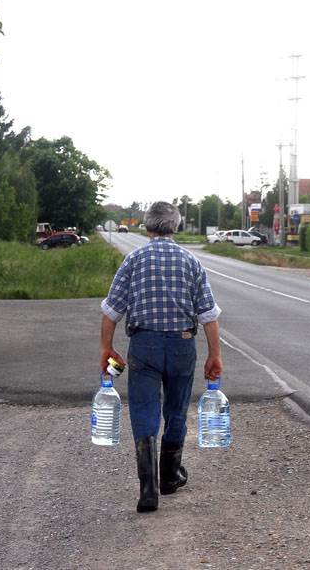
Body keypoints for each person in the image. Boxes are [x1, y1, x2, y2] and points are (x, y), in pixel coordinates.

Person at [99, 201, 223, 513]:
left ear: (147, 226)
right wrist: (214, 355)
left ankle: (148, 488)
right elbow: (208, 314)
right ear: (176, 226)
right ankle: (169, 476)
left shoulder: (134, 259)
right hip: (182, 344)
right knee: (177, 410)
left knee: (144, 411)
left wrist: (107, 349)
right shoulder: (190, 261)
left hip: (144, 344)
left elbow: (111, 310)